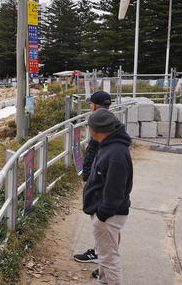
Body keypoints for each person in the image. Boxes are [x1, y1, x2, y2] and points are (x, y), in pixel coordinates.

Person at [83, 108, 133, 284]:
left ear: (96, 130)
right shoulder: (110, 146)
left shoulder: (115, 154)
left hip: (109, 215)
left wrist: (102, 215)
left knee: (109, 259)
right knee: (106, 255)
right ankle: (103, 281)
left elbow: (115, 190)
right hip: (108, 213)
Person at [73, 91, 112, 264]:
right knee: (104, 226)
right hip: (96, 176)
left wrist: (89, 174)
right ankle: (101, 254)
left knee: (101, 223)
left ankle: (101, 256)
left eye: (91, 104)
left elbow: (96, 152)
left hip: (98, 179)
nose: (89, 107)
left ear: (95, 105)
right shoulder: (109, 122)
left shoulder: (99, 123)